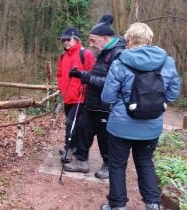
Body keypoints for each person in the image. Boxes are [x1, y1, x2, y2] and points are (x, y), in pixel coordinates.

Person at [100, 22, 180, 210]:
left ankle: (117, 206)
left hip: (120, 126)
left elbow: (107, 96)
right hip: (151, 126)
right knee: (145, 162)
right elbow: (173, 94)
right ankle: (152, 204)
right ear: (149, 40)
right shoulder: (167, 62)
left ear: (129, 40)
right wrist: (157, 103)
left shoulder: (120, 62)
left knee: (117, 165)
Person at [63, 15, 126, 179]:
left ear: (105, 38)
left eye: (93, 40)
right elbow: (97, 73)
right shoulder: (103, 51)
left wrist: (87, 77)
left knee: (105, 137)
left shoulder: (118, 54)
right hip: (91, 102)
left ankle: (108, 165)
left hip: (105, 106)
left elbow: (112, 82)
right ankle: (81, 161)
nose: (90, 44)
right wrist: (82, 74)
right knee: (83, 130)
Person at [56, 26, 95, 163]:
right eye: (63, 40)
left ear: (75, 39)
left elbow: (93, 74)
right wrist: (62, 89)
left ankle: (69, 148)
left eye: (68, 39)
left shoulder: (85, 54)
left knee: (70, 123)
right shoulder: (63, 55)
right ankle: (74, 146)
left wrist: (84, 87)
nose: (65, 42)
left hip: (80, 96)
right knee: (73, 124)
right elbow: (60, 74)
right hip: (68, 96)